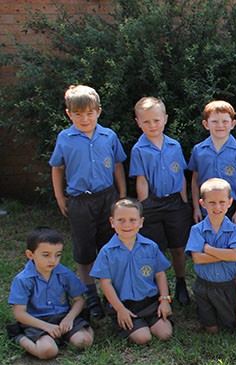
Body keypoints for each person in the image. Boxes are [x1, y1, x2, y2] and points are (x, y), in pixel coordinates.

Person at [49, 84, 127, 319]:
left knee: (109, 248)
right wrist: (60, 196)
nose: (84, 118)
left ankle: (111, 295)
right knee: (84, 251)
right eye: (78, 114)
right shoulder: (65, 138)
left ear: (98, 112)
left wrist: (121, 195)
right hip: (80, 201)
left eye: (89, 113)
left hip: (107, 198)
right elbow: (57, 167)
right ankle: (91, 296)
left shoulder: (109, 136)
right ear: (69, 114)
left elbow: (117, 165)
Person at [129, 97, 193, 304]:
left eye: (156, 120)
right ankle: (159, 287)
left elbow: (181, 176)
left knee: (178, 246)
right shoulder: (139, 150)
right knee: (156, 247)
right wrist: (144, 205)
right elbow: (141, 180)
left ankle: (181, 281)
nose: (152, 125)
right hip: (153, 204)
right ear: (138, 122)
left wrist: (184, 203)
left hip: (175, 203)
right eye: (146, 122)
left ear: (165, 119)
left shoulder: (174, 146)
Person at [91, 198, 173, 345]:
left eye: (132, 220)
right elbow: (106, 283)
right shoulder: (107, 252)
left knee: (165, 333)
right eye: (120, 220)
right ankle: (127, 323)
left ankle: (150, 321)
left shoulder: (150, 247)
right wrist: (120, 309)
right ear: (112, 222)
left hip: (150, 302)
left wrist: (165, 300)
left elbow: (160, 274)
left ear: (141, 222)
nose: (127, 224)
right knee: (143, 338)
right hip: (124, 304)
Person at [7, 227, 94, 359]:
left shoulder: (64, 273)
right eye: (46, 255)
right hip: (37, 321)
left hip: (63, 318)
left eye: (58, 255)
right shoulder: (23, 280)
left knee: (84, 341)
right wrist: (46, 326)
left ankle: (76, 332)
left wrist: (69, 318)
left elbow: (79, 299)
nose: (53, 260)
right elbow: (19, 313)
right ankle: (19, 337)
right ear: (30, 255)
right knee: (48, 351)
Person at [185, 178, 236, 333]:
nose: (217, 207)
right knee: (212, 330)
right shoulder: (197, 230)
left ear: (230, 202)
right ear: (202, 203)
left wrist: (207, 248)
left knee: (229, 327)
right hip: (204, 285)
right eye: (211, 202)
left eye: (222, 202)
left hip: (227, 286)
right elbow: (197, 258)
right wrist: (227, 254)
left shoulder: (234, 230)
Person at [188, 100, 236, 226]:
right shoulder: (198, 150)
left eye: (225, 121)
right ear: (206, 124)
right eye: (214, 121)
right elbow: (195, 181)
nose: (220, 125)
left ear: (233, 124)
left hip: (231, 208)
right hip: (206, 209)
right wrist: (196, 208)